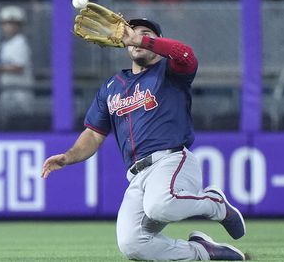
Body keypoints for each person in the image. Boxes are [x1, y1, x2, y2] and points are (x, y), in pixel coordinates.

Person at [42, 18, 246, 261]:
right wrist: (68, 157)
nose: (135, 36)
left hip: (171, 161)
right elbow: (94, 135)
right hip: (137, 175)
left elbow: (186, 54)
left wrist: (140, 39)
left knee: (160, 206)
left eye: (145, 33)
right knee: (132, 243)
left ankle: (215, 204)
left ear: (156, 42)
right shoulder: (111, 87)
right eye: (131, 32)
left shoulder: (170, 71)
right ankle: (204, 252)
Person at [0, 5, 34, 129]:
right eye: (5, 23)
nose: (8, 26)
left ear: (19, 25)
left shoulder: (20, 42)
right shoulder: (6, 43)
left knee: (21, 124)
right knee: (7, 123)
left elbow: (19, 67)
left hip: (21, 92)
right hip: (8, 90)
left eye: (12, 23)